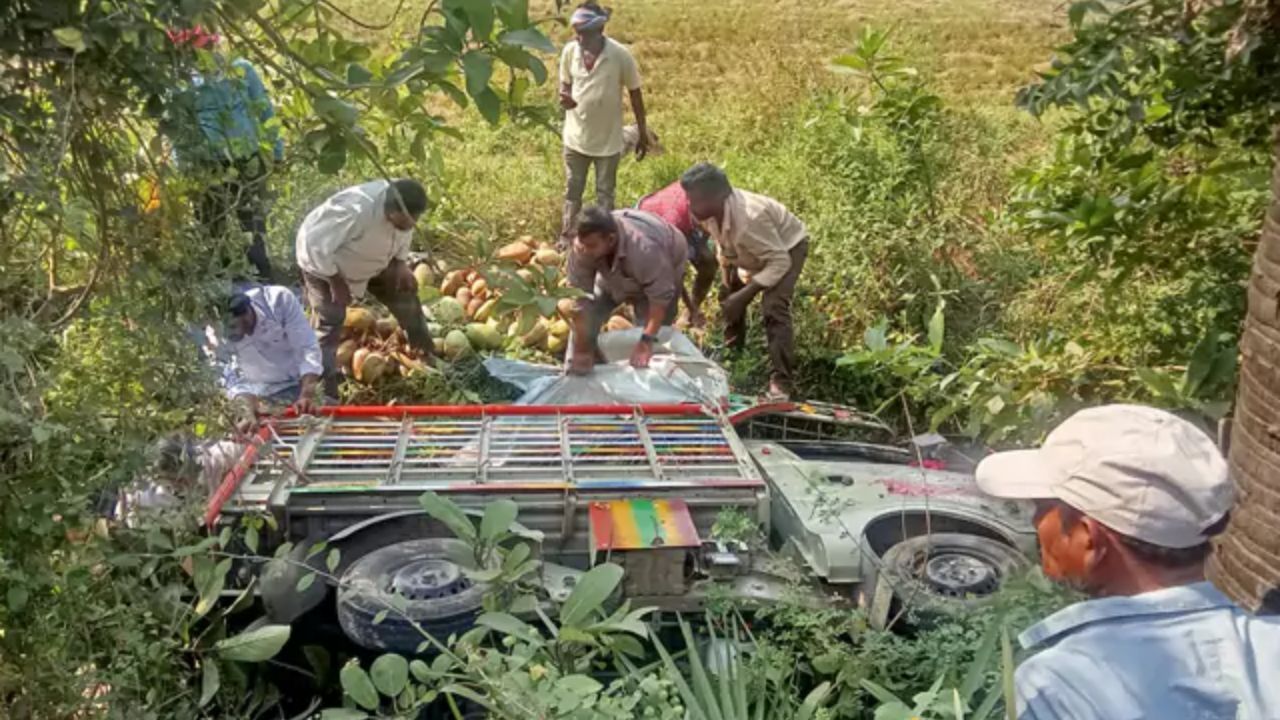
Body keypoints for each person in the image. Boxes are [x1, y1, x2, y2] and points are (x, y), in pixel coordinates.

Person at [974, 404, 1280, 719]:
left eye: (1041, 506)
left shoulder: (1062, 685)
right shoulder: (1270, 643)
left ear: (1088, 537)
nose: (1036, 519)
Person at [680, 163, 808, 401]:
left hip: (787, 249)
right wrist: (731, 286)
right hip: (749, 251)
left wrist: (746, 293)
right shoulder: (706, 212)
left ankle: (782, 383)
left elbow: (779, 262)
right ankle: (733, 355)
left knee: (774, 307)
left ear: (718, 196)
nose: (690, 206)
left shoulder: (750, 218)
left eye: (695, 200)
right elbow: (723, 243)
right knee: (727, 296)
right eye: (688, 199)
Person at [296, 178, 435, 399]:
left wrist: (400, 263)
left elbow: (404, 232)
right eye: (403, 222)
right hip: (324, 265)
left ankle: (424, 352)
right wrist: (335, 280)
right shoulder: (355, 211)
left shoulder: (403, 205)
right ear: (388, 211)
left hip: (373, 259)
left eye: (414, 221)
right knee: (330, 319)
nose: (409, 225)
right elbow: (312, 244)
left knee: (403, 291)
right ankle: (324, 392)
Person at [164, 26, 284, 280]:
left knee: (253, 230)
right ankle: (223, 293)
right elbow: (177, 131)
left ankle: (266, 287)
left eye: (206, 47)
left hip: (247, 161)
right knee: (211, 231)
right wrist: (185, 170)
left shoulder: (241, 70)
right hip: (205, 166)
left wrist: (277, 150)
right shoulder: (179, 85)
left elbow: (264, 111)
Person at [558, 2, 649, 244]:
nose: (579, 38)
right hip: (575, 137)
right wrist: (564, 96)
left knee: (605, 195)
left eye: (584, 33)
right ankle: (568, 238)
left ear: (599, 31)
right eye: (576, 32)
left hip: (608, 141)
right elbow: (565, 82)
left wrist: (642, 133)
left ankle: (604, 241)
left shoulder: (619, 55)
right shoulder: (570, 51)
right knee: (572, 190)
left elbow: (635, 94)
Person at [566, 206, 687, 373]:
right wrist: (581, 349)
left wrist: (646, 341)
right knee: (590, 315)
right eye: (583, 244)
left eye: (591, 246)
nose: (585, 250)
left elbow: (659, 299)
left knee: (650, 339)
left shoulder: (645, 249)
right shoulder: (583, 247)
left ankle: (648, 386)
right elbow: (580, 299)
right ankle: (576, 373)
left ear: (610, 239)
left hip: (666, 259)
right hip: (614, 272)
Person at [216, 286, 322, 418]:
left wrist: (307, 395)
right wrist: (247, 411)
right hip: (257, 394)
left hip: (300, 381)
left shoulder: (279, 300)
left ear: (246, 314)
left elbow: (307, 348)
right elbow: (233, 378)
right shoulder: (216, 331)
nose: (231, 334)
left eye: (233, 327)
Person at [637, 180, 717, 328]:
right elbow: (676, 274)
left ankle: (691, 309)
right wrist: (693, 311)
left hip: (686, 222)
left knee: (708, 263)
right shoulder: (672, 221)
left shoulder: (707, 200)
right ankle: (658, 326)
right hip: (650, 229)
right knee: (666, 288)